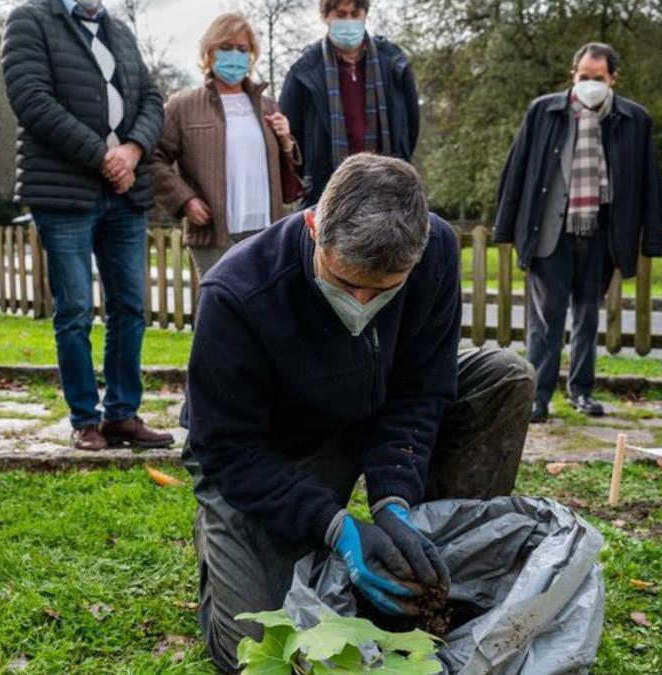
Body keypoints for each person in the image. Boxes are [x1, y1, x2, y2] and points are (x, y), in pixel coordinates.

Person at [184, 154, 536, 673]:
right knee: (259, 648)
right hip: (273, 450)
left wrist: (395, 501)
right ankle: (225, 540)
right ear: (313, 227)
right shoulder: (238, 293)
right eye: (346, 283)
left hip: (364, 411)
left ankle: (433, 552)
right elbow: (227, 449)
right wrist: (335, 525)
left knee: (505, 374)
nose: (363, 300)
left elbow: (419, 389)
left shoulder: (434, 252)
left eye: (384, 289)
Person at [3, 0, 172, 451]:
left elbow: (153, 99)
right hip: (64, 191)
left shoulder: (118, 30)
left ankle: (122, 415)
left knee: (130, 308)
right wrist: (103, 158)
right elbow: (32, 101)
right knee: (75, 309)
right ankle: (85, 419)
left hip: (125, 192)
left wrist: (133, 150)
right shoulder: (30, 20)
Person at [494, 43, 662, 423]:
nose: (590, 84)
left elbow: (649, 182)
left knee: (588, 314)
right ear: (573, 74)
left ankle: (582, 390)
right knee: (547, 316)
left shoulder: (634, 119)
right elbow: (517, 168)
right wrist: (505, 227)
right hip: (549, 230)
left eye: (598, 78)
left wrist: (650, 239)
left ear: (613, 79)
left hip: (604, 233)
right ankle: (536, 397)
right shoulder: (544, 110)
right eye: (584, 77)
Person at [151, 13, 302, 279]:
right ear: (209, 53)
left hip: (266, 229)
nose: (235, 55)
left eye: (242, 49)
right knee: (218, 309)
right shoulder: (182, 105)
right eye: (226, 47)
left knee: (263, 310)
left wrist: (286, 141)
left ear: (251, 55)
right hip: (213, 232)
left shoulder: (268, 106)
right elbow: (154, 157)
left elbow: (289, 176)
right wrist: (186, 200)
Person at [278, 0, 420, 206]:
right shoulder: (305, 69)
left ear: (365, 15)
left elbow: (410, 126)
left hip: (388, 189)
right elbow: (292, 135)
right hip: (325, 191)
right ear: (326, 16)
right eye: (341, 14)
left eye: (355, 14)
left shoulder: (393, 62)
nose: (349, 21)